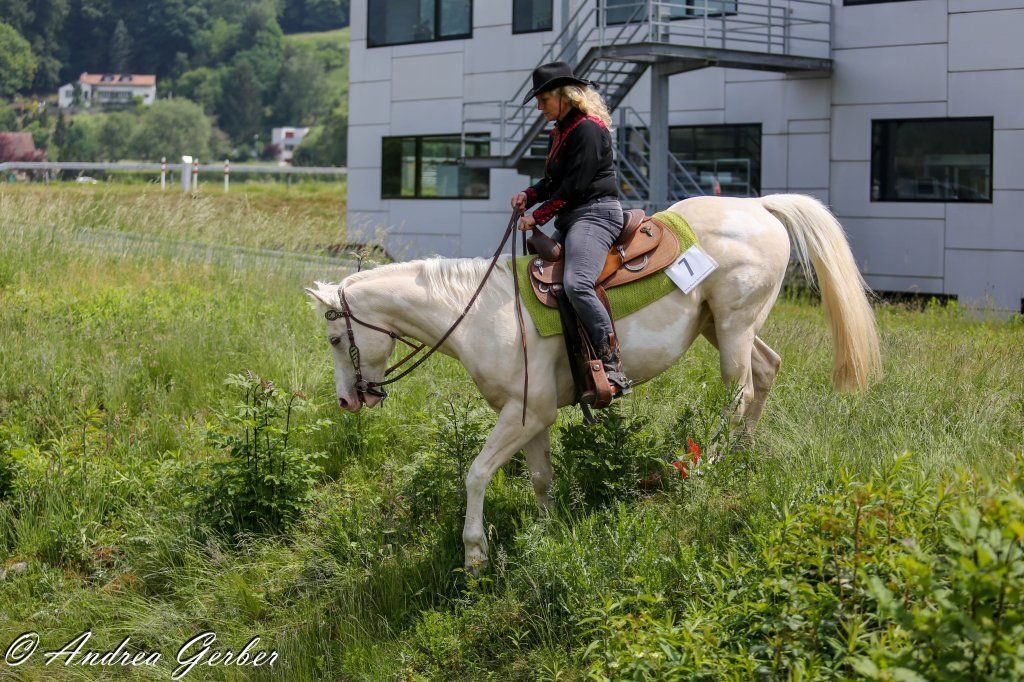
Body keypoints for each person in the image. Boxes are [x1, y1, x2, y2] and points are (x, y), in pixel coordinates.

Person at [511, 61, 632, 396]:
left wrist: (538, 216)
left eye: (543, 99)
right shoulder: (561, 131)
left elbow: (576, 186)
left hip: (596, 214)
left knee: (577, 284)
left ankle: (611, 364)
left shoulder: (589, 130)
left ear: (563, 97)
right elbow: (554, 182)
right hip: (574, 217)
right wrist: (529, 195)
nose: (539, 106)